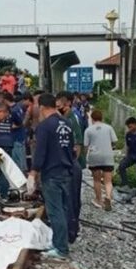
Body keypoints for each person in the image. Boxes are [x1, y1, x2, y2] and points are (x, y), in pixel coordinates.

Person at [28, 93, 76, 260]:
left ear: (41, 107)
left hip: (52, 172)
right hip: (66, 171)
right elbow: (72, 149)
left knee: (55, 211)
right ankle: (59, 241)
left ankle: (61, 248)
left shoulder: (45, 126)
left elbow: (40, 152)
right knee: (62, 209)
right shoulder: (67, 123)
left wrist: (33, 172)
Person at [56, 92, 85, 244]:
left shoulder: (72, 119)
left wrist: (71, 163)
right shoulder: (68, 118)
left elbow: (78, 144)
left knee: (71, 200)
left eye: (59, 105)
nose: (58, 108)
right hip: (71, 164)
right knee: (71, 199)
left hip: (72, 165)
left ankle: (71, 232)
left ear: (67, 104)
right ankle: (72, 229)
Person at [84, 109, 118, 211]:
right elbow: (114, 142)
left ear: (92, 118)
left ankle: (98, 200)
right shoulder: (109, 128)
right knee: (108, 181)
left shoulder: (89, 130)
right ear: (102, 118)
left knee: (97, 180)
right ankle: (108, 197)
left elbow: (86, 145)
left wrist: (86, 157)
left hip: (95, 156)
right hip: (107, 155)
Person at [0, 92, 16, 200]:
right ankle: (3, 194)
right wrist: (9, 128)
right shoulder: (12, 111)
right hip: (7, 143)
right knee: (3, 169)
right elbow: (19, 122)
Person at [11, 95, 31, 173]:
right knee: (20, 159)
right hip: (19, 138)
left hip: (19, 138)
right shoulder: (18, 109)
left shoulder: (18, 109)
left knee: (19, 159)